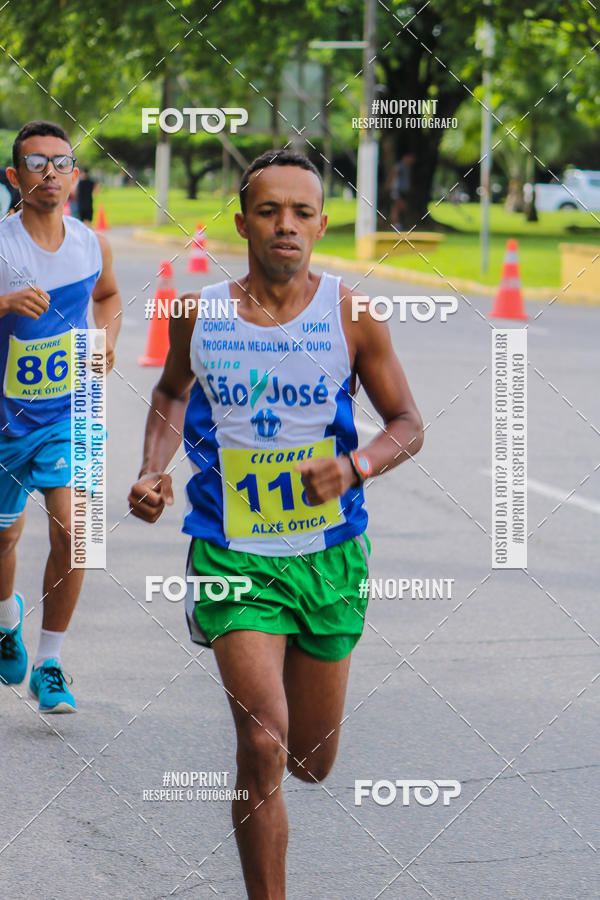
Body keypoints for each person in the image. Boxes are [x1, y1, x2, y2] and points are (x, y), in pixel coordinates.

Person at [128, 149, 423, 897]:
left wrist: (356, 467)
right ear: (242, 223)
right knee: (262, 743)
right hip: (233, 554)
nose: (285, 225)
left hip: (328, 556)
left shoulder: (352, 315)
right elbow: (168, 394)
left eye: (300, 213)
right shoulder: (200, 313)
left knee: (309, 759)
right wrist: (152, 468)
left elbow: (407, 423)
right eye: (268, 211)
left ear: (322, 225)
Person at [0, 120, 121, 712]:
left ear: (74, 176)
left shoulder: (90, 244)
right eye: (36, 162)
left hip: (75, 410)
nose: (50, 171)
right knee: (4, 537)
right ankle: (5, 621)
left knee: (79, 535)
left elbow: (108, 297)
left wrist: (108, 338)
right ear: (13, 177)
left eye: (62, 161)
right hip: (4, 420)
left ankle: (50, 663)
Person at [387, 152, 416, 231]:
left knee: (397, 208)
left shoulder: (407, 167)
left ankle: (396, 224)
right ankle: (396, 225)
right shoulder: (399, 166)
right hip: (397, 190)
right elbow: (393, 174)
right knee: (397, 207)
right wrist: (389, 184)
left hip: (403, 191)